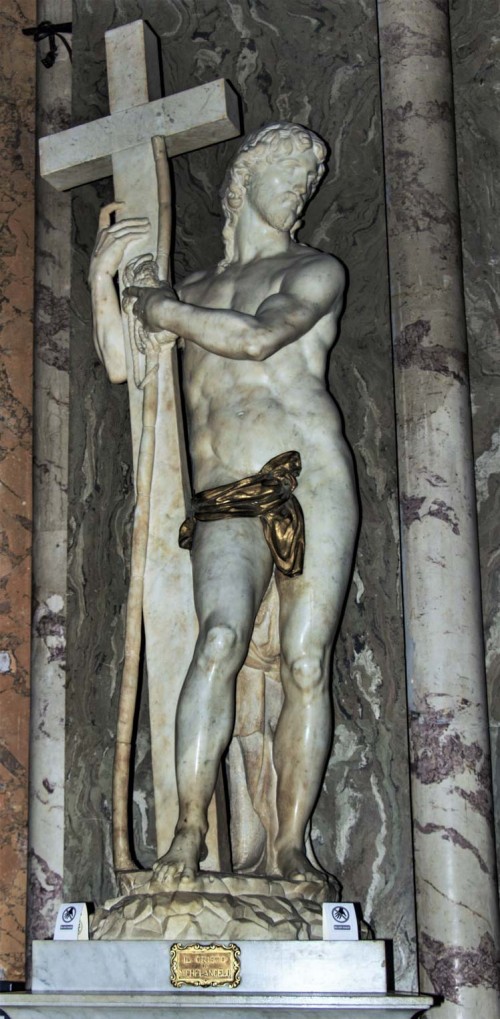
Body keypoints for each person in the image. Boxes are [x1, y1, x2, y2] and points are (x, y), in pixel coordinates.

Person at [89, 122, 358, 885]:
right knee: (218, 640)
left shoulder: (314, 271)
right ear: (242, 185)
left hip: (308, 480)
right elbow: (124, 369)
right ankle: (186, 835)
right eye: (287, 174)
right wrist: (104, 283)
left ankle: (287, 846)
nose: (300, 190)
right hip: (224, 495)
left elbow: (259, 339)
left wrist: (161, 311)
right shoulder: (196, 290)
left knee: (305, 661)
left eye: (309, 179)